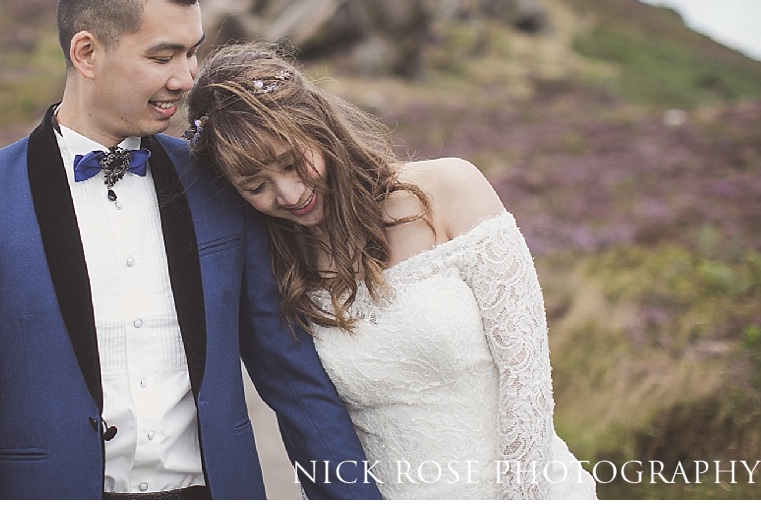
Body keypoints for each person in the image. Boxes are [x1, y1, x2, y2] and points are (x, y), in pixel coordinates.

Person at [0, 0, 380, 500]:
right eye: (162, 56)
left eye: (192, 51)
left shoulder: (217, 181)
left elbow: (292, 377)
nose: (186, 78)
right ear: (86, 53)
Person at [183, 42, 598, 500]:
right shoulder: (279, 267)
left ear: (317, 126)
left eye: (291, 162)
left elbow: (527, 379)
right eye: (256, 186)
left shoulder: (449, 188)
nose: (289, 193)